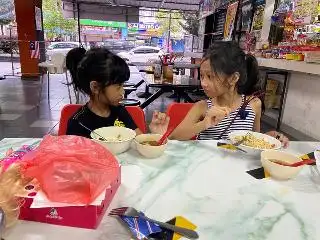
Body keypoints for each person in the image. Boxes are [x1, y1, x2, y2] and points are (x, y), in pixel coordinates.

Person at [170, 41, 288, 147]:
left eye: (210, 76)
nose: (204, 83)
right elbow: (174, 137)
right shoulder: (203, 107)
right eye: (202, 76)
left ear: (233, 78)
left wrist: (268, 136)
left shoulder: (254, 104)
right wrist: (204, 123)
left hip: (238, 166)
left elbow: (253, 139)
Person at [65, 47, 169, 138]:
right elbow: (75, 159)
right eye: (118, 86)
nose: (122, 91)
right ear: (95, 87)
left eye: (123, 85)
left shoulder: (120, 111)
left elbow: (139, 142)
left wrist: (155, 135)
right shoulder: (78, 123)